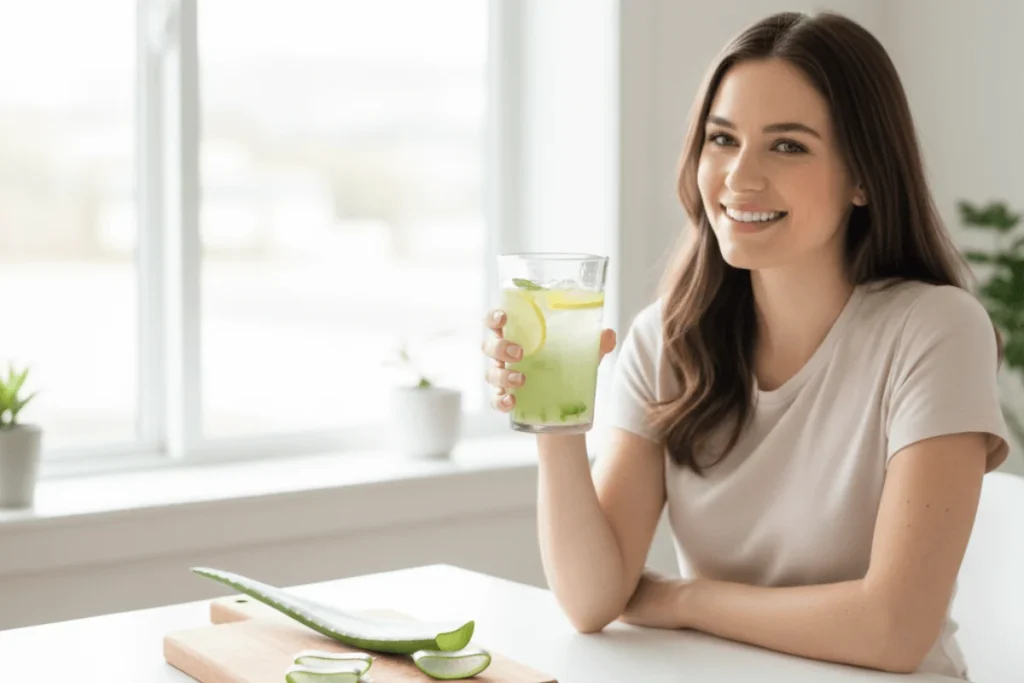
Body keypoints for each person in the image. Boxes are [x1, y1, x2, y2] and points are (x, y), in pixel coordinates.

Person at [480, 9, 1009, 680]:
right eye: (722, 139)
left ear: (864, 176)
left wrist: (685, 598)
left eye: (787, 145)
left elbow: (896, 629)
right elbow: (591, 599)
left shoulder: (936, 330)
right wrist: (555, 420)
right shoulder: (667, 341)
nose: (738, 176)